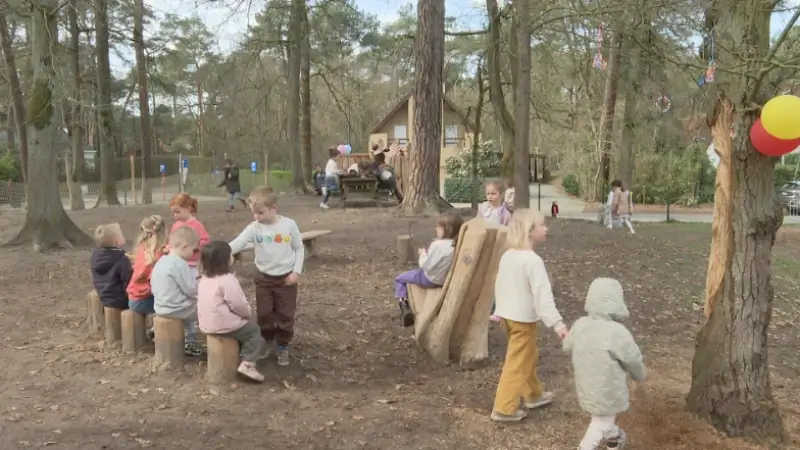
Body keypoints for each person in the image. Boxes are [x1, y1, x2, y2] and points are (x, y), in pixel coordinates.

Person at [490, 209, 569, 423]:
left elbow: (500, 286)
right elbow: (543, 297)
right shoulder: (533, 262)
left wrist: (499, 312)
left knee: (528, 356)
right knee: (517, 363)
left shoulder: (508, 256)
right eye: (541, 225)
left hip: (508, 318)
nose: (546, 228)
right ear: (529, 231)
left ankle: (533, 394)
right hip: (522, 321)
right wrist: (558, 324)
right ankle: (503, 408)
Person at [563, 278, 646, 450]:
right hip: (609, 389)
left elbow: (566, 346)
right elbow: (632, 359)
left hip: (586, 385)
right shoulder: (617, 332)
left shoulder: (580, 325)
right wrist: (640, 374)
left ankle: (614, 441)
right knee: (601, 422)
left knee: (604, 419)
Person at [229, 186, 304, 366]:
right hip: (264, 279)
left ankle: (283, 345)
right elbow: (238, 243)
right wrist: (221, 251)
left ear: (273, 208)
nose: (257, 217)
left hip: (286, 279)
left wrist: (296, 272)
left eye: (260, 213)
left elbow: (299, 248)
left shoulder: (289, 225)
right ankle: (267, 340)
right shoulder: (254, 228)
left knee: (285, 315)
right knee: (264, 314)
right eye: (254, 213)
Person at [198, 241, 268, 382]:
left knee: (244, 326)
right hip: (223, 325)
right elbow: (238, 304)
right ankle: (248, 363)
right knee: (253, 331)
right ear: (225, 260)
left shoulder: (204, 278)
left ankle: (241, 354)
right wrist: (248, 313)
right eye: (231, 255)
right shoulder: (227, 280)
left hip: (205, 324)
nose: (233, 257)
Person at [393, 212, 463, 327]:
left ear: (447, 229)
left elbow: (425, 265)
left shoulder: (438, 245)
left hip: (430, 279)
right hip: (445, 279)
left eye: (439, 227)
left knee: (400, 279)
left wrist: (423, 253)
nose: (436, 229)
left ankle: (404, 307)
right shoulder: (456, 244)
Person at [151, 226, 203, 357]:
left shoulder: (161, 261)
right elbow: (191, 290)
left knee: (189, 303)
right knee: (205, 305)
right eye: (193, 250)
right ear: (185, 246)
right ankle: (190, 342)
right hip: (176, 309)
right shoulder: (180, 263)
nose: (193, 253)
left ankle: (156, 330)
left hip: (160, 306)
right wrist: (200, 282)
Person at [127, 215, 167, 320]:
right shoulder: (157, 255)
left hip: (134, 298)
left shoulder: (142, 248)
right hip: (141, 301)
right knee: (174, 304)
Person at [90, 223, 133, 311]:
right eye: (121, 234)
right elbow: (128, 282)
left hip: (104, 296)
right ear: (117, 242)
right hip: (120, 300)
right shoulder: (122, 259)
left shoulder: (96, 256)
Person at [169, 193, 211, 278]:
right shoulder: (176, 225)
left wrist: (195, 248)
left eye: (177, 212)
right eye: (173, 213)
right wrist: (168, 247)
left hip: (192, 264)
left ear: (188, 209)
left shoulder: (197, 225)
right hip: (177, 263)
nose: (175, 215)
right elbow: (172, 241)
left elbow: (206, 241)